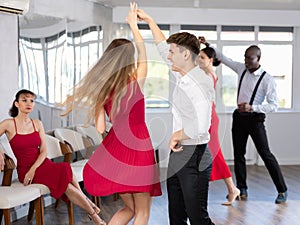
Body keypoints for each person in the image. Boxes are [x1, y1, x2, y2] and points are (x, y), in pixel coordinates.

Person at [60, 3, 162, 225]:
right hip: (138, 147)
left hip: (115, 149)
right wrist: (133, 26)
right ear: (129, 59)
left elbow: (99, 128)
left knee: (129, 208)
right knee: (142, 212)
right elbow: (143, 49)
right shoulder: (135, 81)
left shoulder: (102, 92)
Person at [137, 9, 215, 225]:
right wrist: (150, 20)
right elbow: (162, 46)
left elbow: (202, 125)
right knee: (176, 215)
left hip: (195, 156)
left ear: (185, 55)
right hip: (179, 154)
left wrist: (176, 135)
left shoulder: (201, 81)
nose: (168, 56)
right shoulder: (181, 73)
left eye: (173, 52)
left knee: (197, 216)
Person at [201, 37, 288, 204]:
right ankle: (242, 189)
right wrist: (207, 45)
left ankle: (282, 190)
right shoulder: (241, 69)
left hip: (255, 119)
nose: (246, 62)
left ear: (258, 59)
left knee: (265, 154)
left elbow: (273, 106)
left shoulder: (267, 79)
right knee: (238, 154)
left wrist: (252, 107)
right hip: (239, 118)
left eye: (250, 59)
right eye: (245, 58)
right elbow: (224, 58)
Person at [0, 89, 106, 225]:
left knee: (65, 168)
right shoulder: (9, 124)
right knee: (65, 178)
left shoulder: (37, 123)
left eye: (32, 101)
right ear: (16, 104)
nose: (29, 103)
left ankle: (89, 206)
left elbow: (43, 151)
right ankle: (92, 212)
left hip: (41, 164)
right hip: (26, 170)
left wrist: (34, 168)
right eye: (24, 100)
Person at [198, 45, 240, 205]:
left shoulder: (208, 76)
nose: (199, 60)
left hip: (209, 118)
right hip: (206, 117)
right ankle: (231, 189)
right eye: (199, 57)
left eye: (202, 58)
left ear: (211, 60)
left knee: (214, 153)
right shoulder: (205, 74)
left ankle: (232, 189)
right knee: (206, 153)